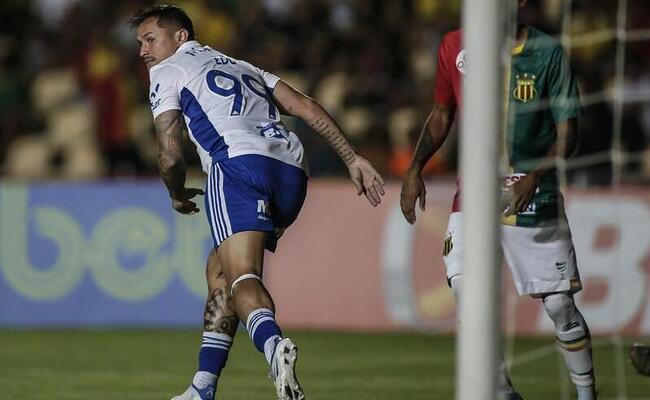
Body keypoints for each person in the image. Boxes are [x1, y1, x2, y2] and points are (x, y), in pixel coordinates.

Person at [131, 5, 385, 400]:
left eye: (150, 39)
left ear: (180, 37)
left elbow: (169, 153)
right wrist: (352, 158)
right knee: (219, 267)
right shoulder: (241, 66)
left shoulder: (166, 71)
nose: (143, 51)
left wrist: (176, 193)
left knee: (242, 278)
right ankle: (203, 387)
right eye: (140, 43)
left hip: (237, 167)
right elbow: (305, 106)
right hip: (291, 172)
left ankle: (273, 347)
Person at [400, 1, 597, 399]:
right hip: (475, 193)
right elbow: (442, 114)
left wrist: (535, 178)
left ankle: (586, 393)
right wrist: (415, 167)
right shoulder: (454, 46)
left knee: (559, 306)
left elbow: (568, 134)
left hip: (532, 193)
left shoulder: (548, 53)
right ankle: (505, 395)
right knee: (465, 293)